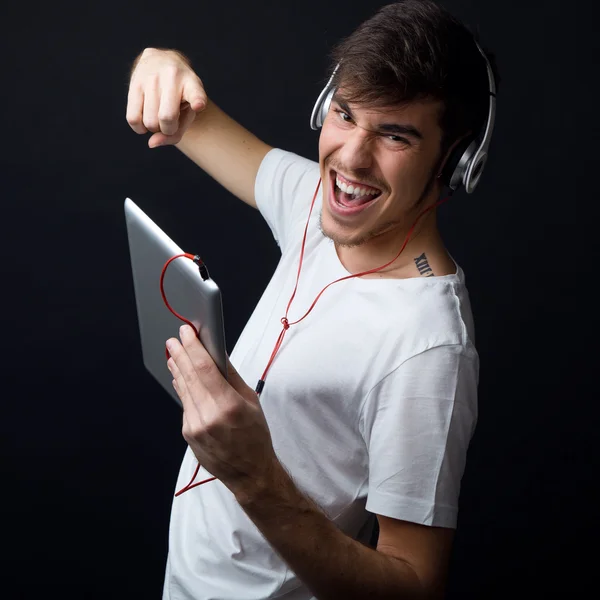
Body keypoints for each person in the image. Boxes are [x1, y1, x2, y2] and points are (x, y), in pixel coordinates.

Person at [126, 1, 499, 598]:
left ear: (454, 164)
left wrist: (255, 477)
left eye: (395, 135)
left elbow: (415, 586)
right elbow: (183, 117)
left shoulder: (429, 347)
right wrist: (161, 62)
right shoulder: (314, 203)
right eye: (345, 115)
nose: (350, 158)